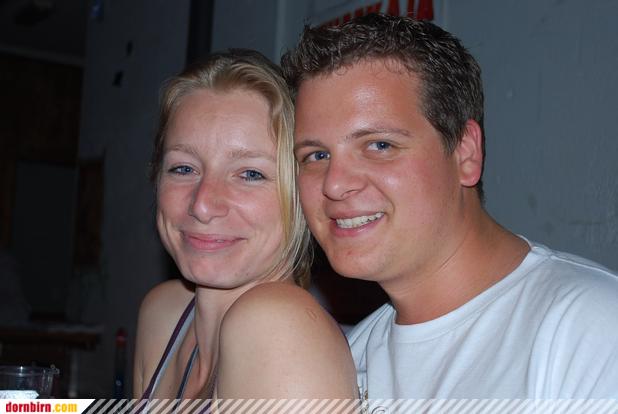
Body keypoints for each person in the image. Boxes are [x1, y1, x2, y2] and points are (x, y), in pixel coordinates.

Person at [281, 13, 618, 399]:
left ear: (465, 152)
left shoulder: (589, 331)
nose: (335, 184)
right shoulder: (345, 361)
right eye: (316, 155)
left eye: (379, 145)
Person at [133, 49, 357, 402]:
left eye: (250, 174)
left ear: (301, 194)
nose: (202, 204)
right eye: (183, 168)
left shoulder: (281, 328)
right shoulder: (163, 314)